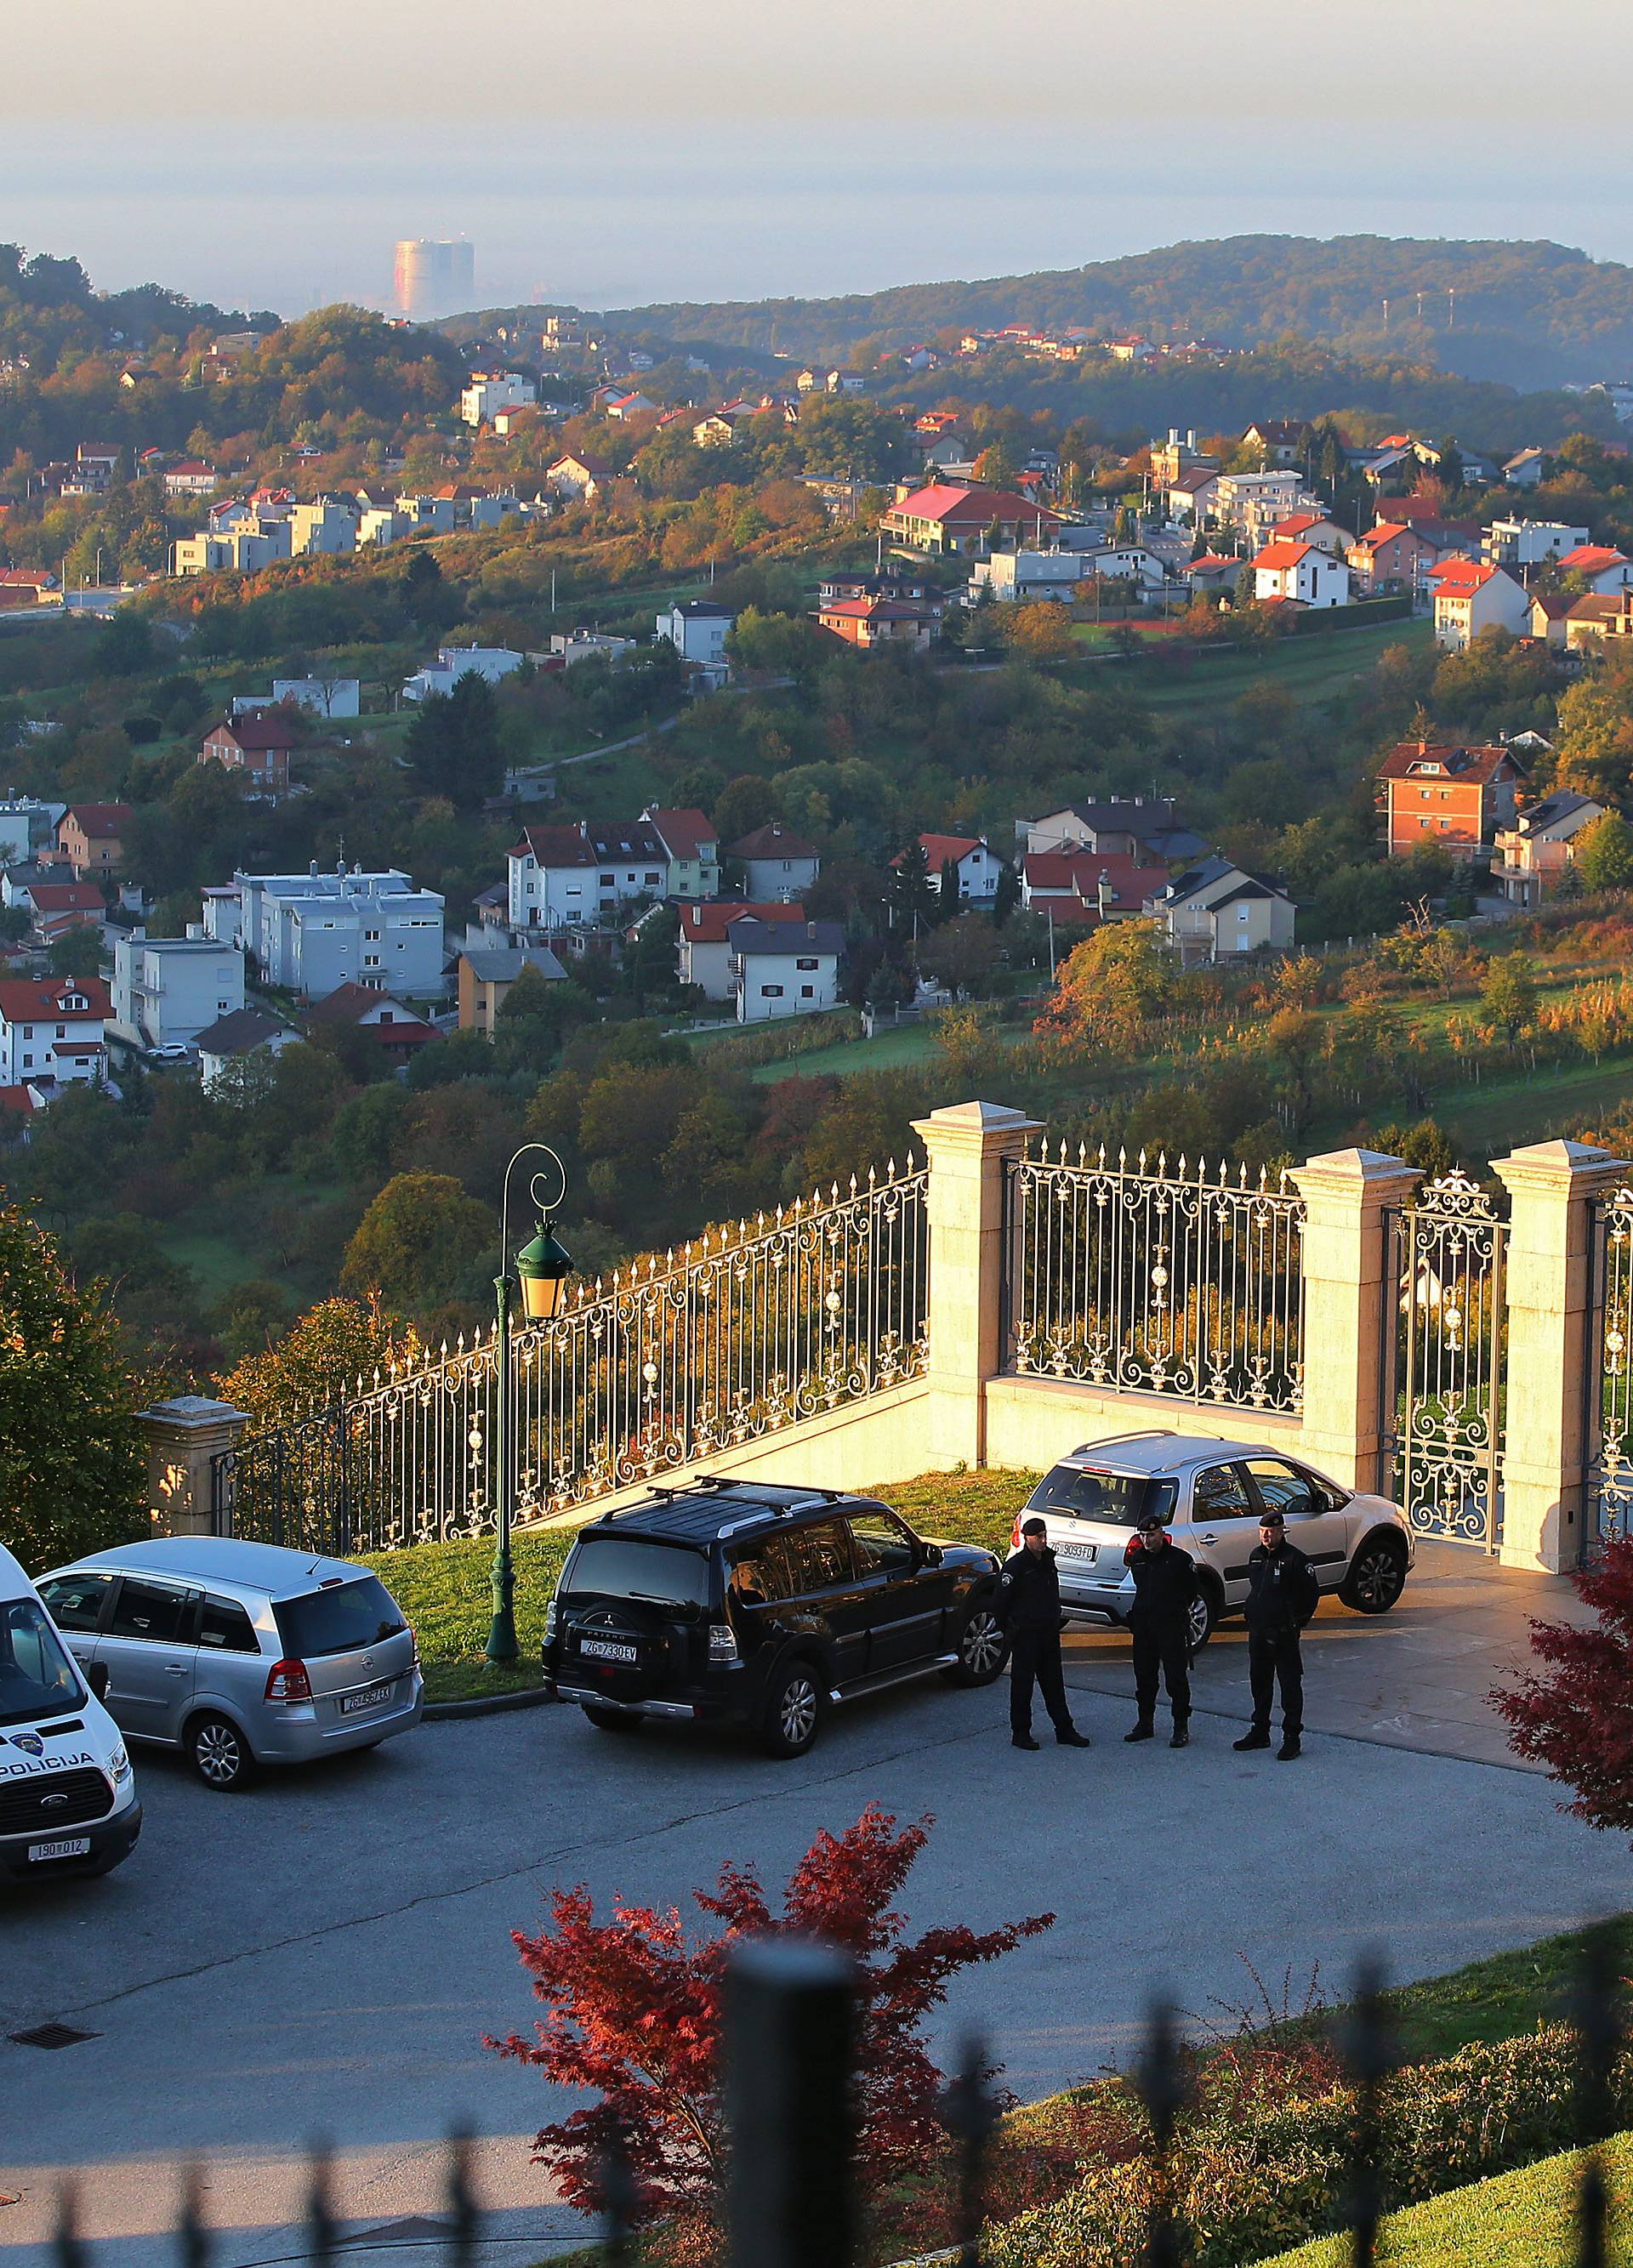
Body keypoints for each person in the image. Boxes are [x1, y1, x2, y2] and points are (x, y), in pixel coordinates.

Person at [1232, 1506, 1320, 1760]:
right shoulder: (1255, 1557)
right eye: (1262, 1531)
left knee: (1289, 1686)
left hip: (1284, 1635)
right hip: (1259, 1632)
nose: (1266, 1536)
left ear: (1282, 1532)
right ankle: (1260, 1731)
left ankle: (1292, 1738)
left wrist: (1297, 1623)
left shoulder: (1296, 1559)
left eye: (1271, 1531)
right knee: (1259, 1683)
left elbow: (1311, 1595)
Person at [998, 1516, 1091, 1751]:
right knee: (1022, 1685)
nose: (1042, 1541)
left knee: (1054, 1684)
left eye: (1044, 1536)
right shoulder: (1016, 1568)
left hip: (1048, 1634)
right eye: (1037, 1537)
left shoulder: (1048, 1561)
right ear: (1026, 1539)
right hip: (1026, 1635)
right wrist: (1011, 1631)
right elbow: (1000, 1604)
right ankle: (1020, 1732)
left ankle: (1064, 1729)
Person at [1122, 1513, 1198, 1748]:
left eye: (1152, 1535)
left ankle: (1180, 1726)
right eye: (1143, 1536)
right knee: (1144, 1678)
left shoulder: (1179, 1560)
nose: (1147, 1540)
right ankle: (1145, 1723)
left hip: (1171, 1626)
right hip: (1144, 1626)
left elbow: (1191, 1591)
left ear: (1162, 1535)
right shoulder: (1138, 1559)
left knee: (1175, 1678)